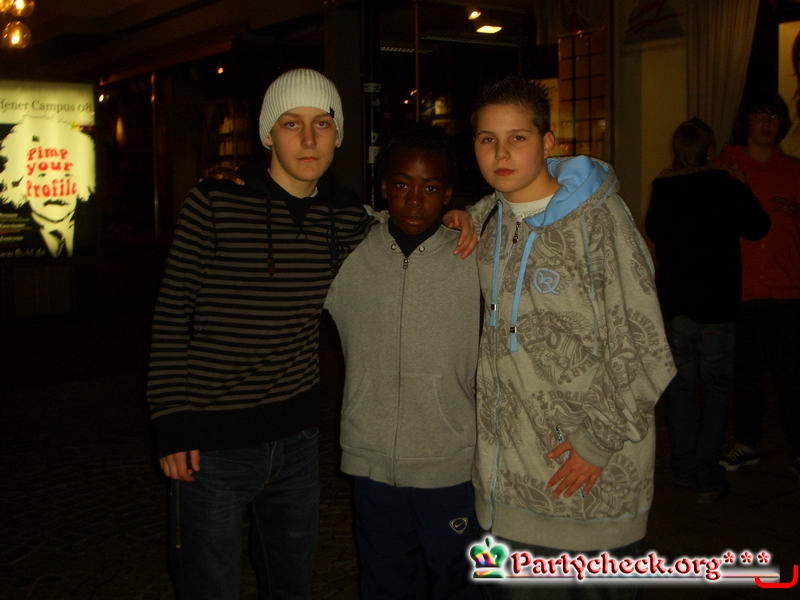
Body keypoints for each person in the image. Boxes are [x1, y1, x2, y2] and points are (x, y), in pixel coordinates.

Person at [147, 68, 476, 600]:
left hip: (296, 445)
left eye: (321, 123)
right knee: (208, 586)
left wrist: (460, 215)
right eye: (291, 123)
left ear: (337, 135)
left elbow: (407, 215)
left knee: (292, 585)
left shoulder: (344, 220)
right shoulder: (212, 203)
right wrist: (172, 426)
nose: (307, 139)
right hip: (211, 444)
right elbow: (170, 315)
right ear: (267, 134)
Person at [467, 76, 675, 598]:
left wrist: (597, 441)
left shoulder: (600, 221)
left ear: (547, 142)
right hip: (506, 489)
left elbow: (647, 347)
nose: (501, 153)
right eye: (488, 139)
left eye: (517, 138)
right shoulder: (487, 222)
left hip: (589, 483)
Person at [324, 126, 481, 599]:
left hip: (450, 463)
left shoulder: (474, 256)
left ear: (448, 193)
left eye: (430, 187)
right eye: (401, 184)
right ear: (383, 187)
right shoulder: (350, 253)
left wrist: (473, 215)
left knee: (459, 583)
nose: (414, 200)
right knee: (385, 583)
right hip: (371, 462)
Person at [645, 118, 770, 503]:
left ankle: (684, 467)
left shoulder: (664, 187)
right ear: (710, 150)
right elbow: (759, 227)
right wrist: (743, 186)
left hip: (676, 303)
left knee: (681, 386)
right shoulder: (725, 185)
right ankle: (706, 475)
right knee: (717, 388)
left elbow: (653, 231)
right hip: (717, 303)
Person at [717, 93, 800, 481]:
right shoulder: (726, 165)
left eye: (772, 116)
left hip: (788, 287)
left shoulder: (793, 170)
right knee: (744, 371)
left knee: (791, 373)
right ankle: (747, 441)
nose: (766, 123)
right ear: (746, 122)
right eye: (758, 115)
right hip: (741, 287)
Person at [0, 115, 95, 257]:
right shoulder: (9, 236)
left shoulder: (93, 228)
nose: (54, 187)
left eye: (66, 175)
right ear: (20, 182)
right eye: (42, 175)